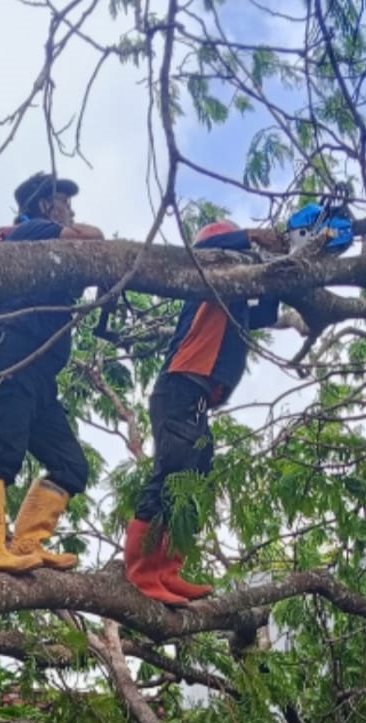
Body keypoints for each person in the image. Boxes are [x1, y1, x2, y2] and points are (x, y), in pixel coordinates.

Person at [124, 219, 283, 604]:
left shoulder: (235, 300)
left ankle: (168, 569)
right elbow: (201, 255)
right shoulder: (204, 282)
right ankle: (142, 570)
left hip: (195, 403)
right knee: (170, 477)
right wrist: (251, 237)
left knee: (196, 484)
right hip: (178, 389)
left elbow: (268, 312)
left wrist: (279, 264)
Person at [0, 172, 104, 575]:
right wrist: (73, 229)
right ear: (46, 206)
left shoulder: (45, 245)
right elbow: (89, 237)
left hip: (40, 377)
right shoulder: (28, 232)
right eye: (65, 203)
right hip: (11, 358)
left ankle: (28, 541)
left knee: (71, 464)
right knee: (3, 448)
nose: (71, 211)